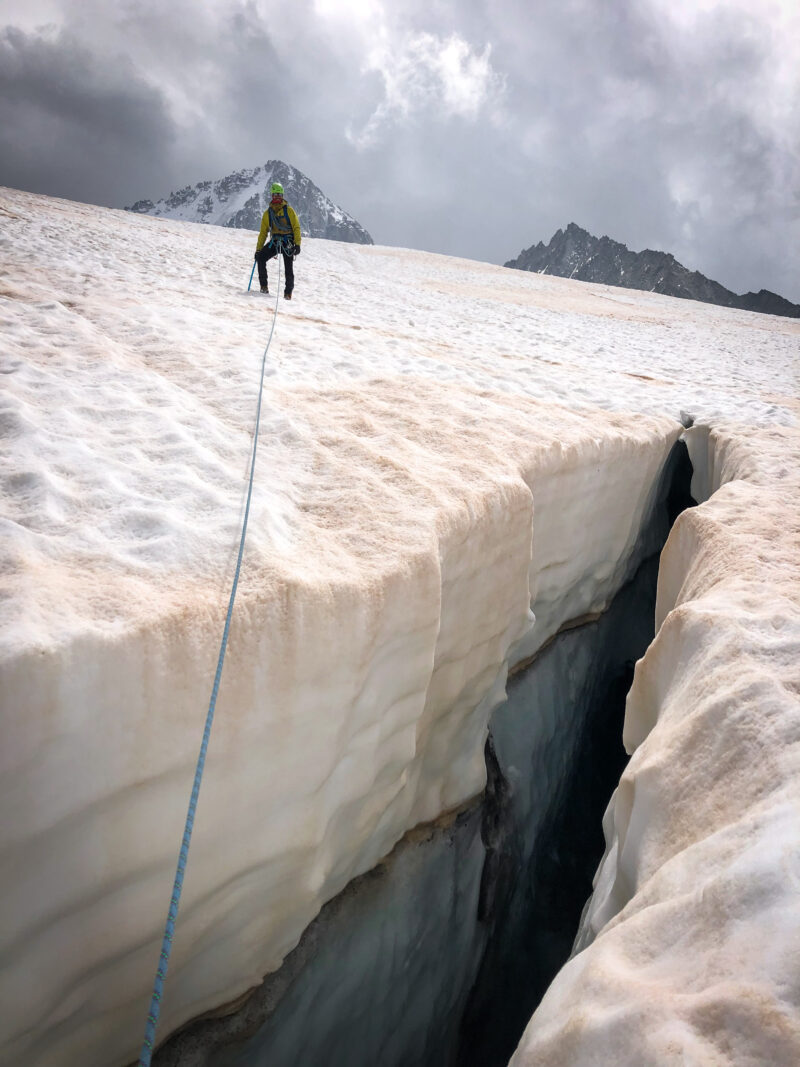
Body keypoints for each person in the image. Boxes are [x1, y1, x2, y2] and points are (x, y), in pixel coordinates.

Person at [254, 183, 302, 299]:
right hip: (275, 242)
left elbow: (296, 227)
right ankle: (263, 287)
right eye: (275, 194)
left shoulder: (289, 211)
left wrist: (297, 244)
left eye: (279, 194)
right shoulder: (267, 214)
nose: (277, 197)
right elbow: (263, 233)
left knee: (288, 268)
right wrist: (258, 249)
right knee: (261, 258)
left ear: (282, 195)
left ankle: (288, 293)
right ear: (271, 195)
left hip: (287, 242)